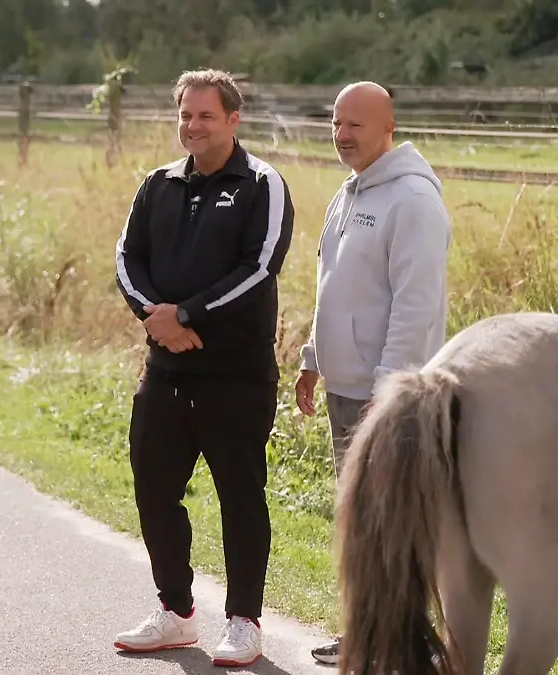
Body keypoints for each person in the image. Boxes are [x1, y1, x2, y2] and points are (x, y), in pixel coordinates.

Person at [111, 68, 295, 668]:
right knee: (153, 488)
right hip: (163, 372)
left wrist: (186, 312)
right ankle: (177, 614)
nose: (192, 126)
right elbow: (126, 257)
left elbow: (260, 265)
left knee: (241, 497)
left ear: (233, 120)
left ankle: (244, 621)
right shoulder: (157, 184)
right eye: (185, 115)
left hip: (236, 377)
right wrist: (152, 316)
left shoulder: (263, 183)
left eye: (205, 116)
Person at [294, 81, 452, 665]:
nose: (343, 135)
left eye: (356, 124)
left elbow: (416, 305)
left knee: (393, 525)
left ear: (389, 127)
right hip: (344, 387)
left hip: (386, 398)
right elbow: (335, 285)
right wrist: (314, 357)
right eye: (337, 123)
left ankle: (407, 646)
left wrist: (387, 394)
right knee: (363, 525)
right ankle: (369, 636)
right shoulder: (350, 193)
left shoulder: (412, 201)